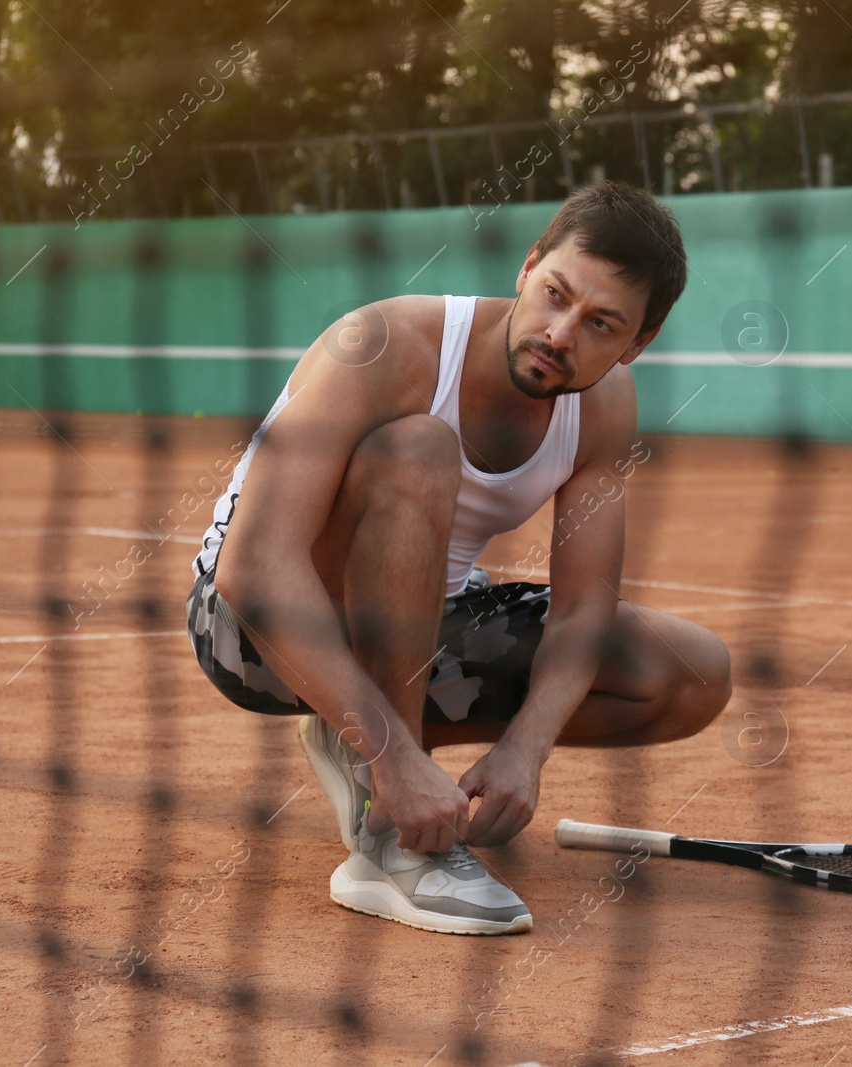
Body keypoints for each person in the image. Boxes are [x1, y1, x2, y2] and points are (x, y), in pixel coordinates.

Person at [187, 180, 732, 935]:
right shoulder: (385, 345)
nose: (561, 333)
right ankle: (391, 831)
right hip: (249, 632)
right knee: (420, 447)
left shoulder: (604, 407)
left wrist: (526, 748)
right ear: (528, 264)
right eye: (555, 294)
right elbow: (256, 566)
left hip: (414, 631)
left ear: (636, 344)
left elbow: (583, 609)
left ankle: (362, 733)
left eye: (600, 323)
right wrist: (394, 754)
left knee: (693, 670)